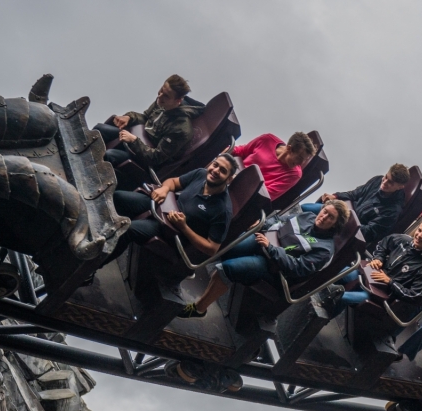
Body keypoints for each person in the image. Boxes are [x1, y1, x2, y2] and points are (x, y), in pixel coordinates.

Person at [177, 200, 351, 319]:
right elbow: (279, 220)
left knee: (228, 268)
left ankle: (199, 309)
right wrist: (263, 225)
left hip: (275, 269)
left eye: (330, 217)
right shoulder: (308, 217)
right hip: (265, 243)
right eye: (325, 211)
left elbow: (297, 268)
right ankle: (183, 271)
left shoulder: (325, 249)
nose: (324, 217)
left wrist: (272, 249)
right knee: (227, 245)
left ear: (335, 224)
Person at [107, 153, 238, 264]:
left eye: (223, 171)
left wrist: (184, 227)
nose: (215, 171)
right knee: (118, 197)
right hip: (165, 206)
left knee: (128, 230)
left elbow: (212, 248)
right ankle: (102, 233)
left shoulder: (223, 210)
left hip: (173, 231)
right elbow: (174, 182)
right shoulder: (201, 174)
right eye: (215, 165)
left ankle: (93, 265)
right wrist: (164, 189)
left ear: (229, 179)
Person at [322, 217, 422, 315]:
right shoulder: (403, 240)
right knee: (339, 272)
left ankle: (321, 318)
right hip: (367, 275)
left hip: (379, 294)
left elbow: (415, 296)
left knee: (341, 297)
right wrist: (378, 258)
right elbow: (384, 244)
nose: (419, 235)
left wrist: (390, 282)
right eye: (419, 230)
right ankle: (312, 293)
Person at [95, 75, 205, 171]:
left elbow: (156, 158)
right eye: (161, 90)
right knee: (99, 129)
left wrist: (133, 141)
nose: (160, 96)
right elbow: (146, 118)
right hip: (137, 138)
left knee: (109, 156)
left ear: (178, 101)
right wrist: (129, 117)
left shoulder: (180, 129)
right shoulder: (162, 102)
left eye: (166, 96)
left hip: (145, 159)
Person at [304, 164, 410, 244]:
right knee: (306, 208)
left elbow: (368, 233)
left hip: (349, 231)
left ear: (400, 187)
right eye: (386, 177)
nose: (384, 182)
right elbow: (355, 194)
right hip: (343, 214)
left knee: (317, 225)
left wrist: (343, 221)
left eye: (390, 182)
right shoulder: (378, 180)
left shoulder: (392, 212)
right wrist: (336, 196)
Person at [231, 132, 315, 201]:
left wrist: (238, 181)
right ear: (289, 149)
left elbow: (265, 195)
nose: (300, 163)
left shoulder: (295, 174)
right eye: (299, 158)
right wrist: (227, 151)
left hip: (243, 196)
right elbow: (242, 151)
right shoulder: (268, 139)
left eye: (304, 160)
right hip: (232, 173)